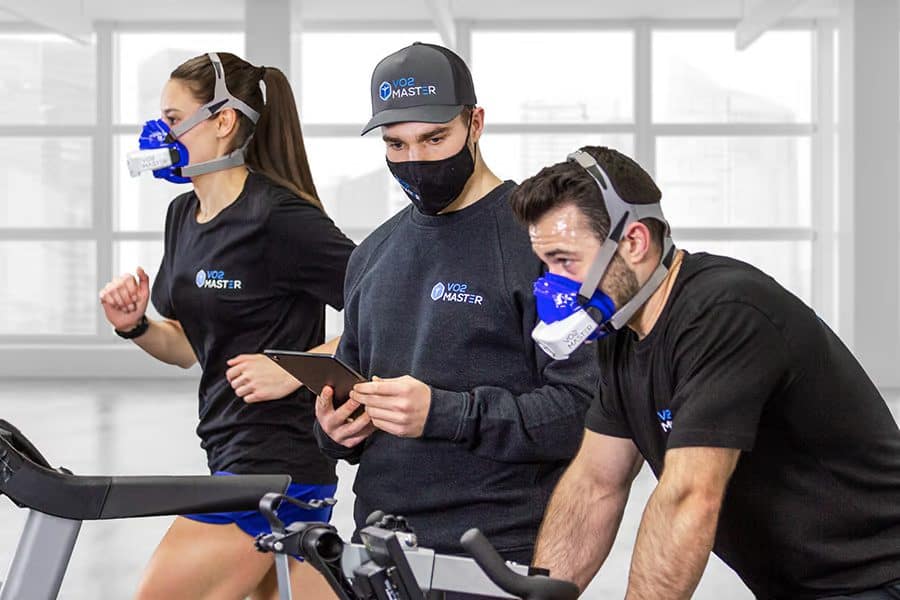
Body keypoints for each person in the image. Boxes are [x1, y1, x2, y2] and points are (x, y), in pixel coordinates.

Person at [509, 145, 900, 599]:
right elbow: (596, 483)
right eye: (546, 263)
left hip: (879, 577)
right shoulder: (622, 336)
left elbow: (688, 496)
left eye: (565, 260)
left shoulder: (725, 314)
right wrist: (539, 594)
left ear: (633, 242)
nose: (551, 283)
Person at [312, 41, 596, 577]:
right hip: (378, 550)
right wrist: (334, 430)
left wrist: (446, 413)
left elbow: (584, 410)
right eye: (396, 144)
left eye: (434, 138)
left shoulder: (540, 248)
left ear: (476, 123)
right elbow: (350, 391)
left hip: (495, 555)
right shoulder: (372, 254)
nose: (415, 161)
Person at [99, 52, 354, 600]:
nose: (158, 132)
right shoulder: (182, 215)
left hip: (274, 466)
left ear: (222, 120)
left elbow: (387, 308)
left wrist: (293, 369)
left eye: (171, 119)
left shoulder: (280, 218)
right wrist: (136, 325)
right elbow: (189, 347)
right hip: (230, 453)